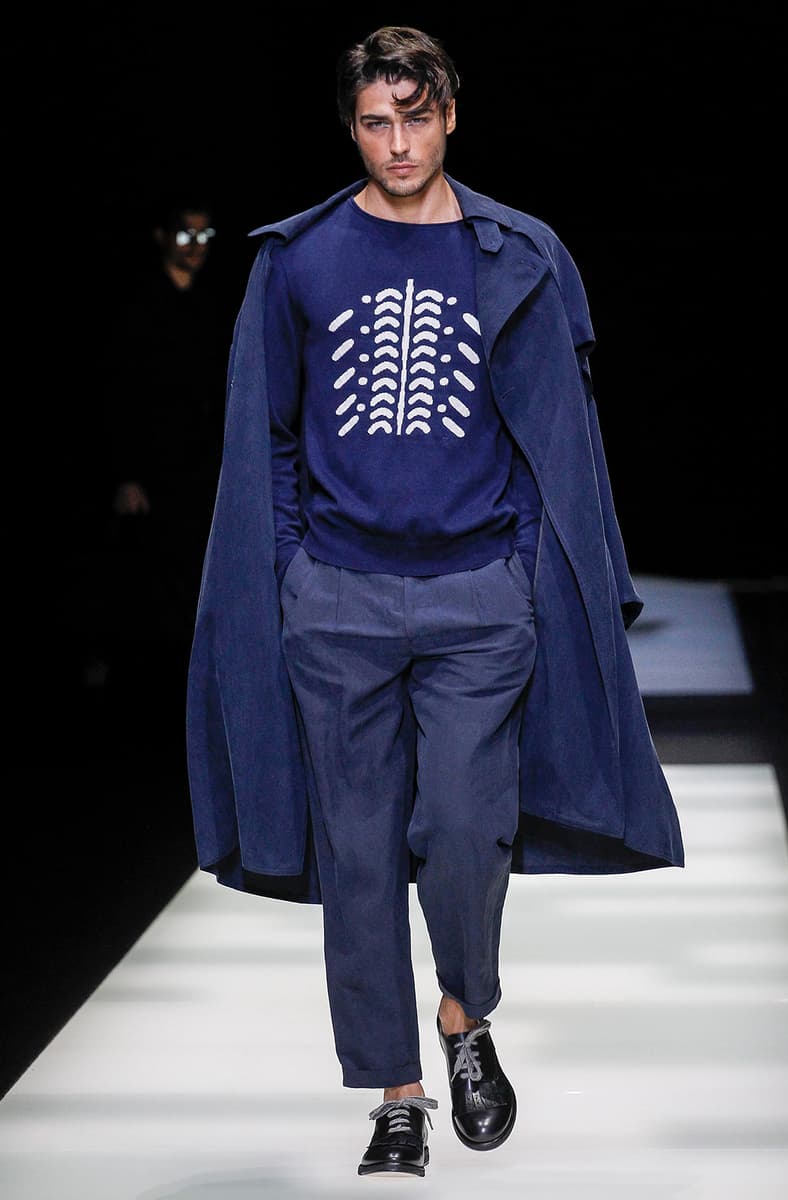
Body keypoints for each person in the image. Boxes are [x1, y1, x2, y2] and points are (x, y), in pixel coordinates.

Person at [185, 25, 685, 1180]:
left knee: (463, 830)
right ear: (350, 128)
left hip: (477, 598)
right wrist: (292, 574)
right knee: (356, 852)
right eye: (376, 122)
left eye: (416, 117)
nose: (398, 143)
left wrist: (528, 571)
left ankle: (463, 1013)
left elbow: (561, 437)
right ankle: (395, 1093)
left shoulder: (518, 253)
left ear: (450, 114)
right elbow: (265, 436)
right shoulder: (298, 259)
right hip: (337, 600)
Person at [99, 199, 230, 748]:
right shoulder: (139, 308)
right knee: (149, 585)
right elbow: (118, 396)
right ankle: (141, 712)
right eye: (184, 237)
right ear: (162, 237)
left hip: (202, 468)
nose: (195, 248)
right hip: (153, 471)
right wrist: (125, 474)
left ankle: (192, 711)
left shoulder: (213, 304)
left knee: (198, 583)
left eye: (204, 237)